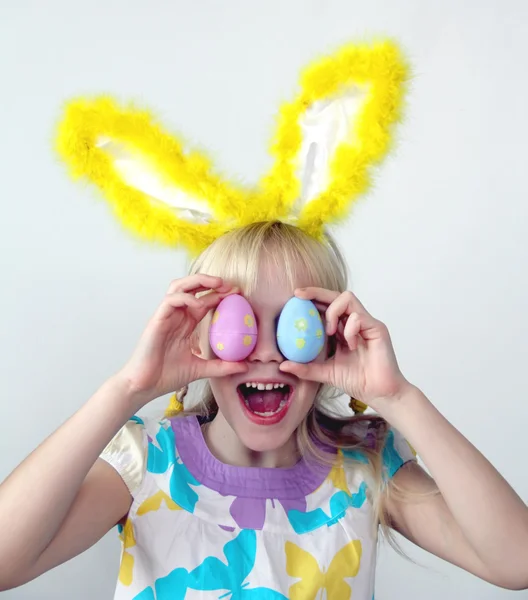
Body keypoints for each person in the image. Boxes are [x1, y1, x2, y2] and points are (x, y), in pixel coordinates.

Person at [1, 41, 527, 599]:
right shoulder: (148, 462)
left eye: (294, 324)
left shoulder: (364, 468)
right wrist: (128, 389)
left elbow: (516, 562)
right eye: (240, 322)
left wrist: (397, 397)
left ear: (331, 336)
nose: (269, 354)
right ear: (200, 334)